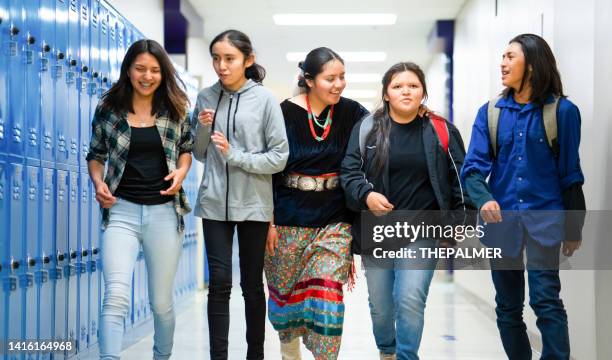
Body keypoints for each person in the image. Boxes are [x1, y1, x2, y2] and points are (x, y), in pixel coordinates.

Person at [461, 33, 586, 360]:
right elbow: (472, 168)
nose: (502, 63)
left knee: (546, 301)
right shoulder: (490, 113)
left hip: (545, 220)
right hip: (501, 223)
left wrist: (574, 226)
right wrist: (484, 197)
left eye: (509, 56)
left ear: (531, 65)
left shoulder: (563, 112)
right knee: (507, 307)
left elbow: (570, 173)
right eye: (501, 56)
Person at [341, 62, 469, 360]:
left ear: (423, 91)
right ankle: (388, 351)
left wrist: (458, 222)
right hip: (378, 231)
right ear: (386, 93)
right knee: (381, 305)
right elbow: (349, 172)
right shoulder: (368, 128)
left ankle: (406, 356)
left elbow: (459, 178)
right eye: (398, 86)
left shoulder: (441, 130)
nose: (406, 91)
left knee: (410, 298)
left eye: (413, 85)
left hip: (423, 232)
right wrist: (367, 194)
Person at [86, 39, 193, 360]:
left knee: (161, 303)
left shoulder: (175, 109)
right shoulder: (109, 110)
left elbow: (186, 149)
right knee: (115, 296)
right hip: (121, 212)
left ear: (163, 73)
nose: (147, 76)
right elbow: (95, 154)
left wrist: (182, 172)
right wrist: (97, 182)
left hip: (163, 213)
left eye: (155, 70)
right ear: (128, 70)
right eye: (140, 69)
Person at [263, 47, 369, 360]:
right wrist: (267, 222)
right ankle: (289, 348)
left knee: (327, 296)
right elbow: (268, 171)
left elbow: (383, 131)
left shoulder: (352, 113)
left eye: (342, 77)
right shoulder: (282, 113)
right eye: (330, 78)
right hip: (287, 218)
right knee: (284, 301)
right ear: (309, 80)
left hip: (334, 219)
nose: (339, 84)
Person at [191, 29, 289, 360]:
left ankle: (255, 355)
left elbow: (279, 157)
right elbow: (201, 153)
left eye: (229, 59)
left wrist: (236, 155)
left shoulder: (264, 100)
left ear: (248, 60)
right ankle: (218, 355)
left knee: (250, 285)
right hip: (215, 202)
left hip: (254, 204)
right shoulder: (205, 96)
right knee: (219, 282)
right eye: (216, 58)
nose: (221, 65)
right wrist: (202, 129)